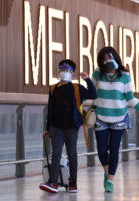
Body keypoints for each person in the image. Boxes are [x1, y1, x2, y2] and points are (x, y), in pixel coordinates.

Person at [91, 46, 139, 192]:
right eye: (104, 59)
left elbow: (130, 97)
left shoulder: (124, 75)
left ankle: (110, 180)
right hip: (100, 116)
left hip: (119, 117)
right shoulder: (97, 74)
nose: (107, 61)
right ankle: (106, 170)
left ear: (116, 57)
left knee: (114, 149)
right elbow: (92, 93)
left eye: (109, 57)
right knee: (102, 150)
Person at [39, 59, 97, 193]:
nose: (64, 72)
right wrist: (47, 128)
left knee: (72, 154)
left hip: (72, 127)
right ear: (58, 71)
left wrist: (87, 80)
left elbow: (93, 94)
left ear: (72, 73)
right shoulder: (53, 88)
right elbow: (50, 109)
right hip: (56, 127)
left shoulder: (77, 88)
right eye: (62, 70)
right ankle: (53, 182)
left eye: (67, 70)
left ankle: (73, 183)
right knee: (56, 154)